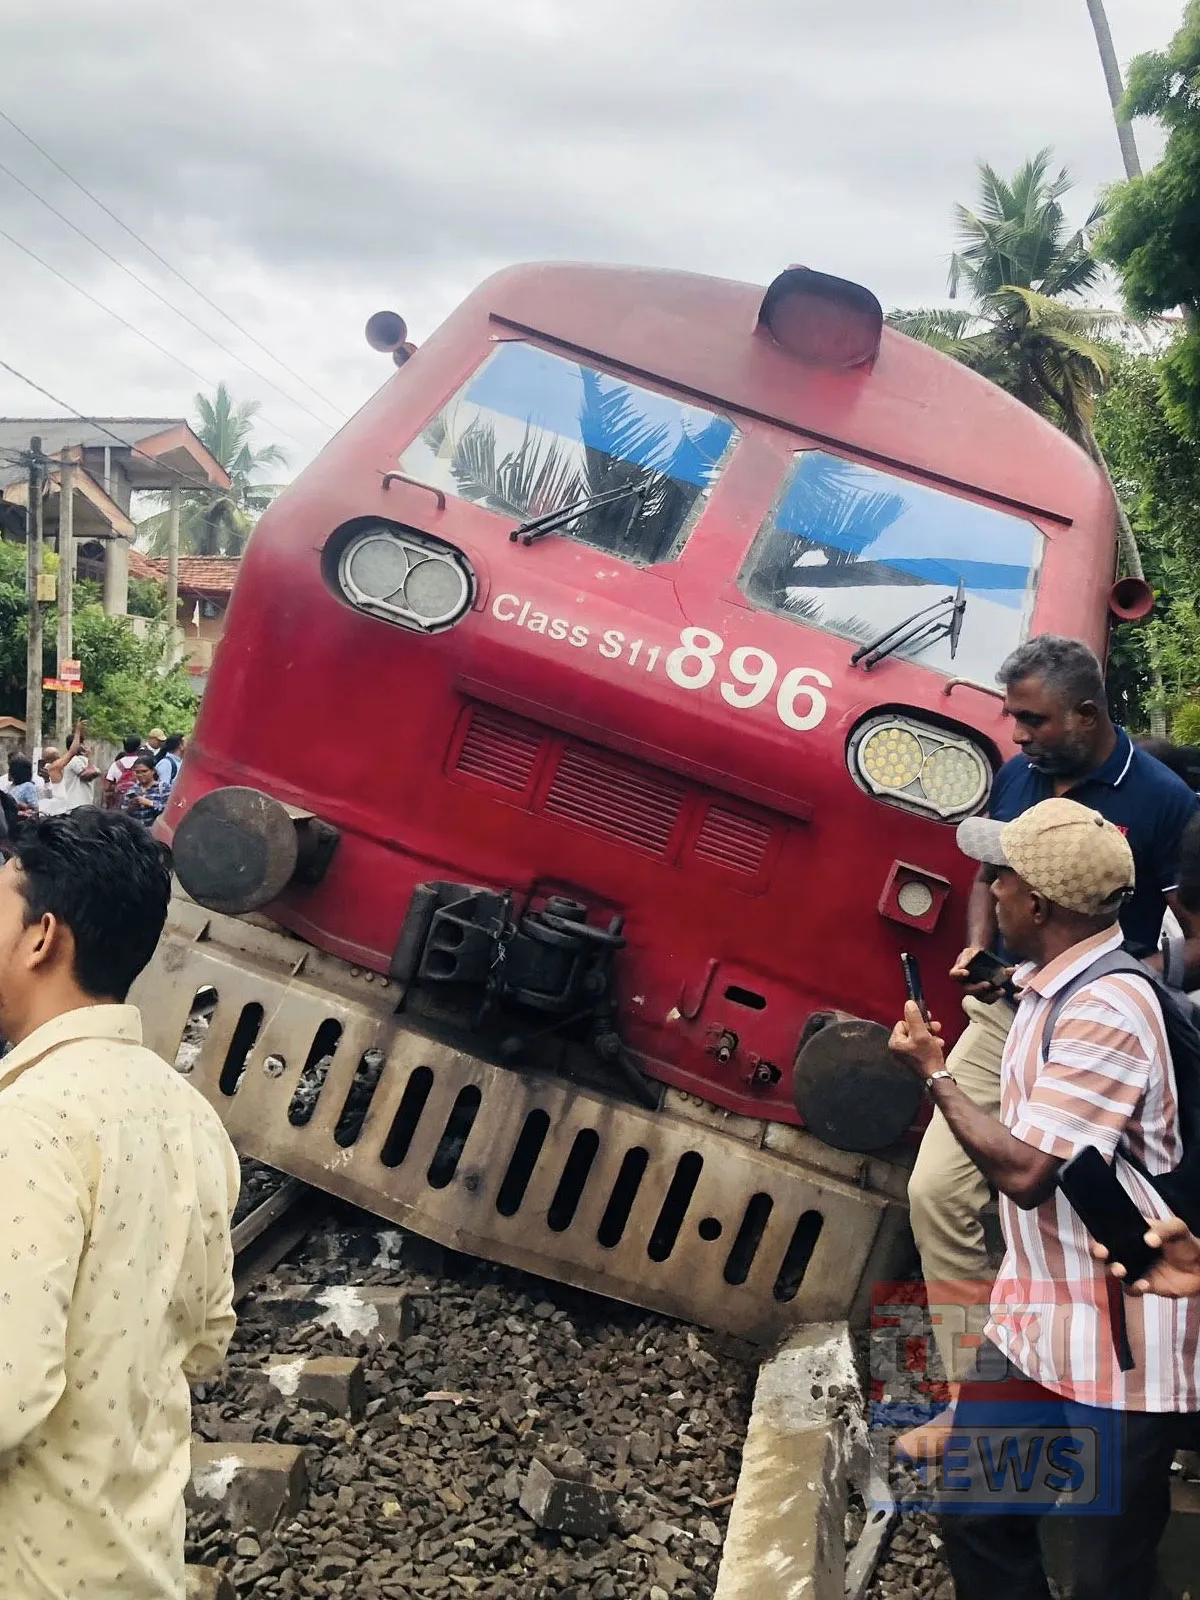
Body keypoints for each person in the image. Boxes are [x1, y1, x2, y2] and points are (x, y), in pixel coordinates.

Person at [890, 798, 1195, 1600]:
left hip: (1119, 1345)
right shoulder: (1052, 982)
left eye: (1003, 876)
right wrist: (996, 979)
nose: (987, 887)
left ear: (1039, 904)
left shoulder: (1107, 1013)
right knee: (978, 1514)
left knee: (1107, 1578)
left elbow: (1026, 1176)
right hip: (1035, 1321)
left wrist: (935, 1074)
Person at [907, 636, 1200, 1399]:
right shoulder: (1019, 776)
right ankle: (970, 1393)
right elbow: (987, 873)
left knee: (1053, 1213)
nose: (1019, 736)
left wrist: (1133, 978)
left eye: (1032, 720)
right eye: (1014, 719)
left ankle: (1076, 1405)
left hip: (1098, 1030)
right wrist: (979, 946)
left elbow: (1194, 937)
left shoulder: (1166, 802)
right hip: (1009, 1016)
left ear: (1087, 714)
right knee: (937, 1193)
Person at [0, 809, 240, 1597]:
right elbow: (206, 1338)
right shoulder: (188, 1115)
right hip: (138, 1562)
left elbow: (7, 1392)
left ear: (41, 937)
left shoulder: (28, 1122)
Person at [41, 719, 100, 814]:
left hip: (63, 808)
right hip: (73, 807)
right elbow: (73, 752)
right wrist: (77, 731)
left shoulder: (50, 768)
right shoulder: (66, 763)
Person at [121, 755, 171, 828]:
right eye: (137, 772)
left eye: (144, 771)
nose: (141, 775)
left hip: (155, 833)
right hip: (137, 833)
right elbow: (123, 814)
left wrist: (150, 803)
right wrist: (131, 807)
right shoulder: (132, 790)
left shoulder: (163, 788)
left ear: (153, 771)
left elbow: (168, 812)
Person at [103, 733, 145, 810]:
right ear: (138, 748)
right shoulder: (143, 763)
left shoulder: (116, 764)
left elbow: (107, 787)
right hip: (139, 803)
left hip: (120, 804)